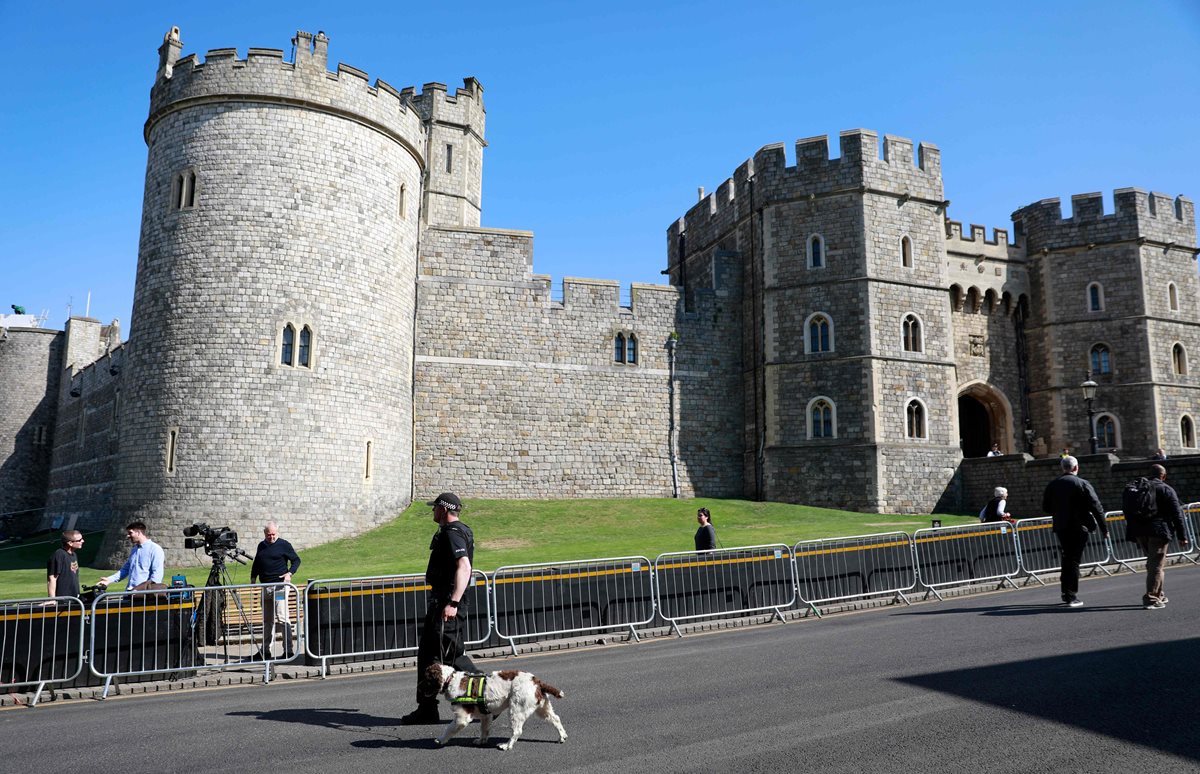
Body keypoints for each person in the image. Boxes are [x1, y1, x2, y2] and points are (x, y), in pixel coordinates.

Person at [401, 492, 477, 725]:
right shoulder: (456, 531)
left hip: (447, 603)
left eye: (435, 508)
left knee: (454, 655)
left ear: (443, 509)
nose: (432, 511)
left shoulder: (453, 533)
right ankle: (426, 708)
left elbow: (464, 567)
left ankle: (489, 698)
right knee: (427, 656)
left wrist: (453, 602)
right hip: (440, 603)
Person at [1042, 456, 1109, 607]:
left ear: (1063, 468)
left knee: (1067, 559)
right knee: (1073, 561)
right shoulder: (1082, 483)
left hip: (1061, 526)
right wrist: (1104, 529)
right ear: (1076, 468)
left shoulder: (1053, 484)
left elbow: (1046, 507)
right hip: (1079, 527)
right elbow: (1096, 507)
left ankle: (1066, 592)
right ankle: (1071, 595)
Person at [1127, 464, 1190, 609]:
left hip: (1140, 532)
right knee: (1156, 565)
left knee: (1153, 564)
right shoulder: (1165, 489)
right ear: (1163, 476)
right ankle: (1151, 598)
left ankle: (1159, 594)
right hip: (1158, 531)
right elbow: (1177, 514)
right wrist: (1182, 536)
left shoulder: (1141, 488)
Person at [249, 521, 301, 658]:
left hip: (279, 587)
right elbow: (257, 563)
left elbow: (296, 560)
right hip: (265, 588)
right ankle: (265, 651)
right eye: (268, 535)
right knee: (267, 621)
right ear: (264, 534)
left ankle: (288, 651)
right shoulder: (261, 545)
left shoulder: (284, 544)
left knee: (282, 617)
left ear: (277, 532)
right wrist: (253, 577)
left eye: (273, 534)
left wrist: (289, 573)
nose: (271, 537)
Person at [97, 521, 165, 591]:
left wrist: (149, 592)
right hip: (129, 592)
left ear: (138, 533)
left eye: (130, 533)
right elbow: (125, 569)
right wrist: (109, 580)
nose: (128, 536)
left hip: (143, 595)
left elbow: (157, 575)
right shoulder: (134, 550)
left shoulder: (155, 549)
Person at [46, 530, 83, 600]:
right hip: (63, 599)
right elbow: (52, 578)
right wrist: (52, 599)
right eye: (79, 540)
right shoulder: (59, 554)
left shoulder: (74, 555)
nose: (83, 541)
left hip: (74, 597)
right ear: (70, 543)